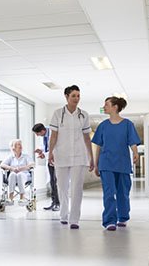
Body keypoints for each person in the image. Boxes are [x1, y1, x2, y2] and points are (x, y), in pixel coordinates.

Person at [48, 85, 95, 229]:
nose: (76, 98)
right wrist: (50, 152)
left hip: (79, 156)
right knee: (61, 187)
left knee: (77, 188)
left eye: (78, 96)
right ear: (66, 97)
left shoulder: (84, 115)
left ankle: (74, 219)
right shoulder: (57, 114)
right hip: (61, 155)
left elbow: (87, 137)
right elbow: (54, 135)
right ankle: (63, 214)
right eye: (74, 95)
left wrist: (91, 157)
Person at [91, 96, 141, 231]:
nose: (104, 107)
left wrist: (135, 153)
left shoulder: (127, 124)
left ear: (115, 107)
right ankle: (109, 221)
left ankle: (123, 217)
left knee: (123, 192)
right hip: (106, 163)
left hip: (122, 163)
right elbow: (98, 147)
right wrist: (96, 164)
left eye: (106, 104)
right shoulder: (103, 126)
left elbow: (132, 141)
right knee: (109, 192)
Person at [32, 123, 59, 211]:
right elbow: (47, 148)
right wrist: (41, 151)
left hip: (58, 160)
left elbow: (55, 148)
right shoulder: (44, 136)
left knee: (57, 182)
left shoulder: (53, 133)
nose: (37, 135)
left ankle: (58, 203)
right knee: (52, 181)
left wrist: (45, 154)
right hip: (50, 160)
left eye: (38, 133)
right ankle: (54, 202)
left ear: (43, 131)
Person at [0, 139, 34, 205]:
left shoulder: (26, 156)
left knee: (19, 175)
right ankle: (10, 197)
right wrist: (11, 168)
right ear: (13, 148)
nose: (20, 146)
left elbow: (32, 164)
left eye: (20, 144)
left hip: (24, 175)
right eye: (18, 144)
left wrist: (22, 168)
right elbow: (2, 164)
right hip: (13, 176)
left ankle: (22, 197)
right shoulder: (11, 157)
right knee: (12, 174)